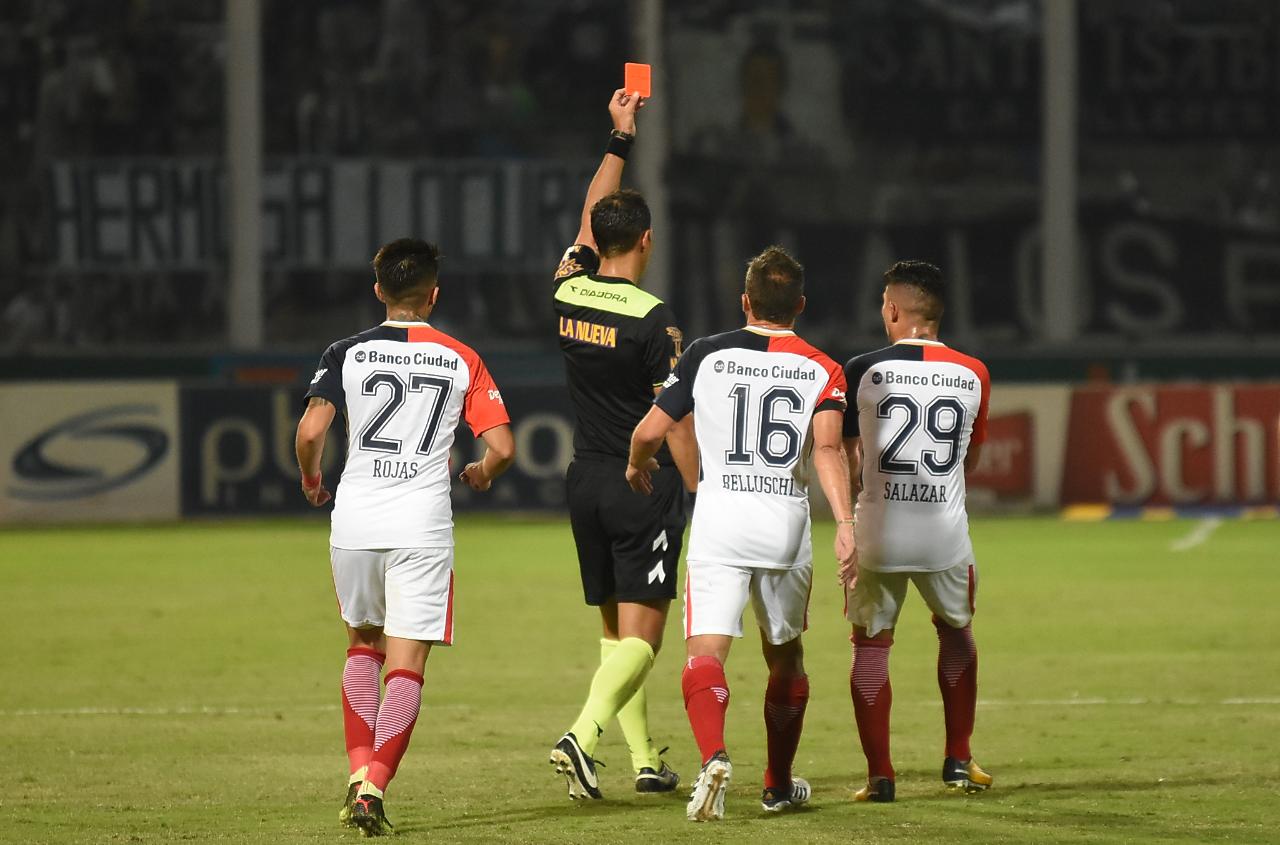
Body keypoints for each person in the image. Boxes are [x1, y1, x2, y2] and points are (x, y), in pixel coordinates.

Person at [627, 246, 856, 821]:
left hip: (720, 520)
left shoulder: (706, 354)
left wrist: (636, 462)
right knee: (786, 657)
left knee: (706, 652)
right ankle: (778, 785)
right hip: (784, 525)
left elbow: (652, 427)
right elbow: (828, 449)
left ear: (746, 301)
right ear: (799, 306)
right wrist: (847, 524)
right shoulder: (824, 367)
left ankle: (714, 757)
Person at [295, 238, 516, 836]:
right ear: (434, 295)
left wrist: (313, 481)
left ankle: (356, 769)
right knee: (407, 664)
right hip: (421, 523)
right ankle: (374, 787)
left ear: (379, 292)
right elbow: (501, 447)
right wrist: (481, 472)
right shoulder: (461, 356)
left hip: (358, 519)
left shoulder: (346, 352)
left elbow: (311, 431)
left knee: (362, 646)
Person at [547, 89, 698, 800]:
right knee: (646, 637)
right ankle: (582, 737)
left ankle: (643, 759)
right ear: (646, 241)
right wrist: (699, 489)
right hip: (644, 481)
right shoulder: (654, 318)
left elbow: (588, 214)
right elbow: (673, 414)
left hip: (586, 482)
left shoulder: (567, 292)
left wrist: (618, 137)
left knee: (615, 634)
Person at [840, 260, 993, 803]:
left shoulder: (862, 368)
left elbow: (849, 454)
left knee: (870, 649)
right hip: (943, 536)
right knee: (956, 635)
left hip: (877, 534)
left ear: (894, 309)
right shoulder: (974, 371)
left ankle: (880, 777)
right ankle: (957, 759)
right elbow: (969, 459)